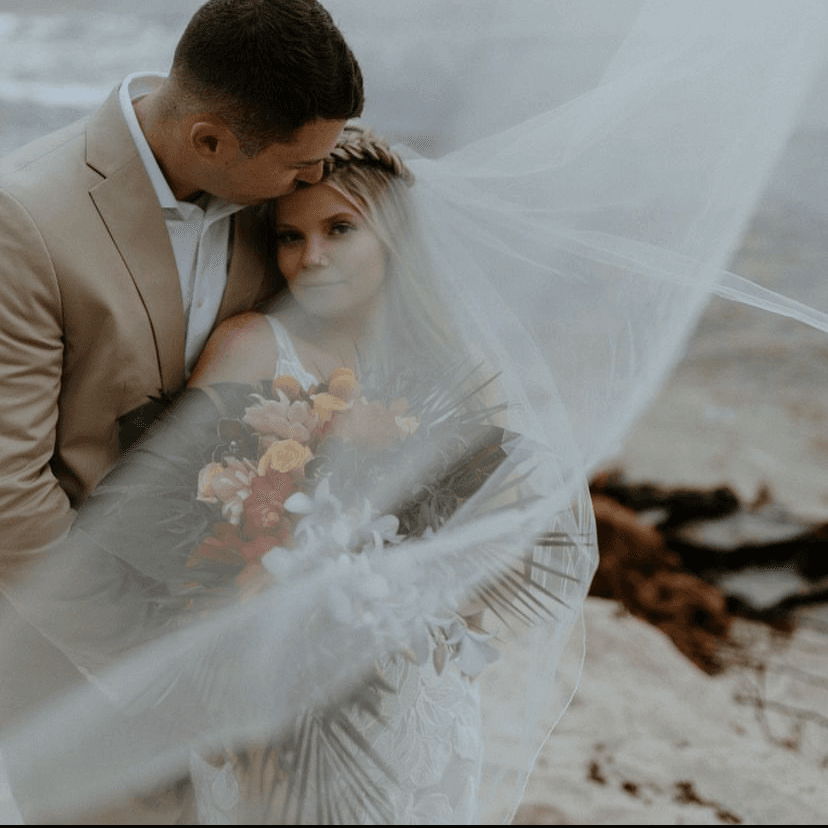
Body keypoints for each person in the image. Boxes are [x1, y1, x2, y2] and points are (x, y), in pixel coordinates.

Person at [0, 0, 362, 747]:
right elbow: (9, 490)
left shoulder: (275, 200)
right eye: (300, 164)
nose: (318, 175)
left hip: (247, 632)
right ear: (210, 139)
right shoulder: (24, 220)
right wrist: (152, 656)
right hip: (70, 646)